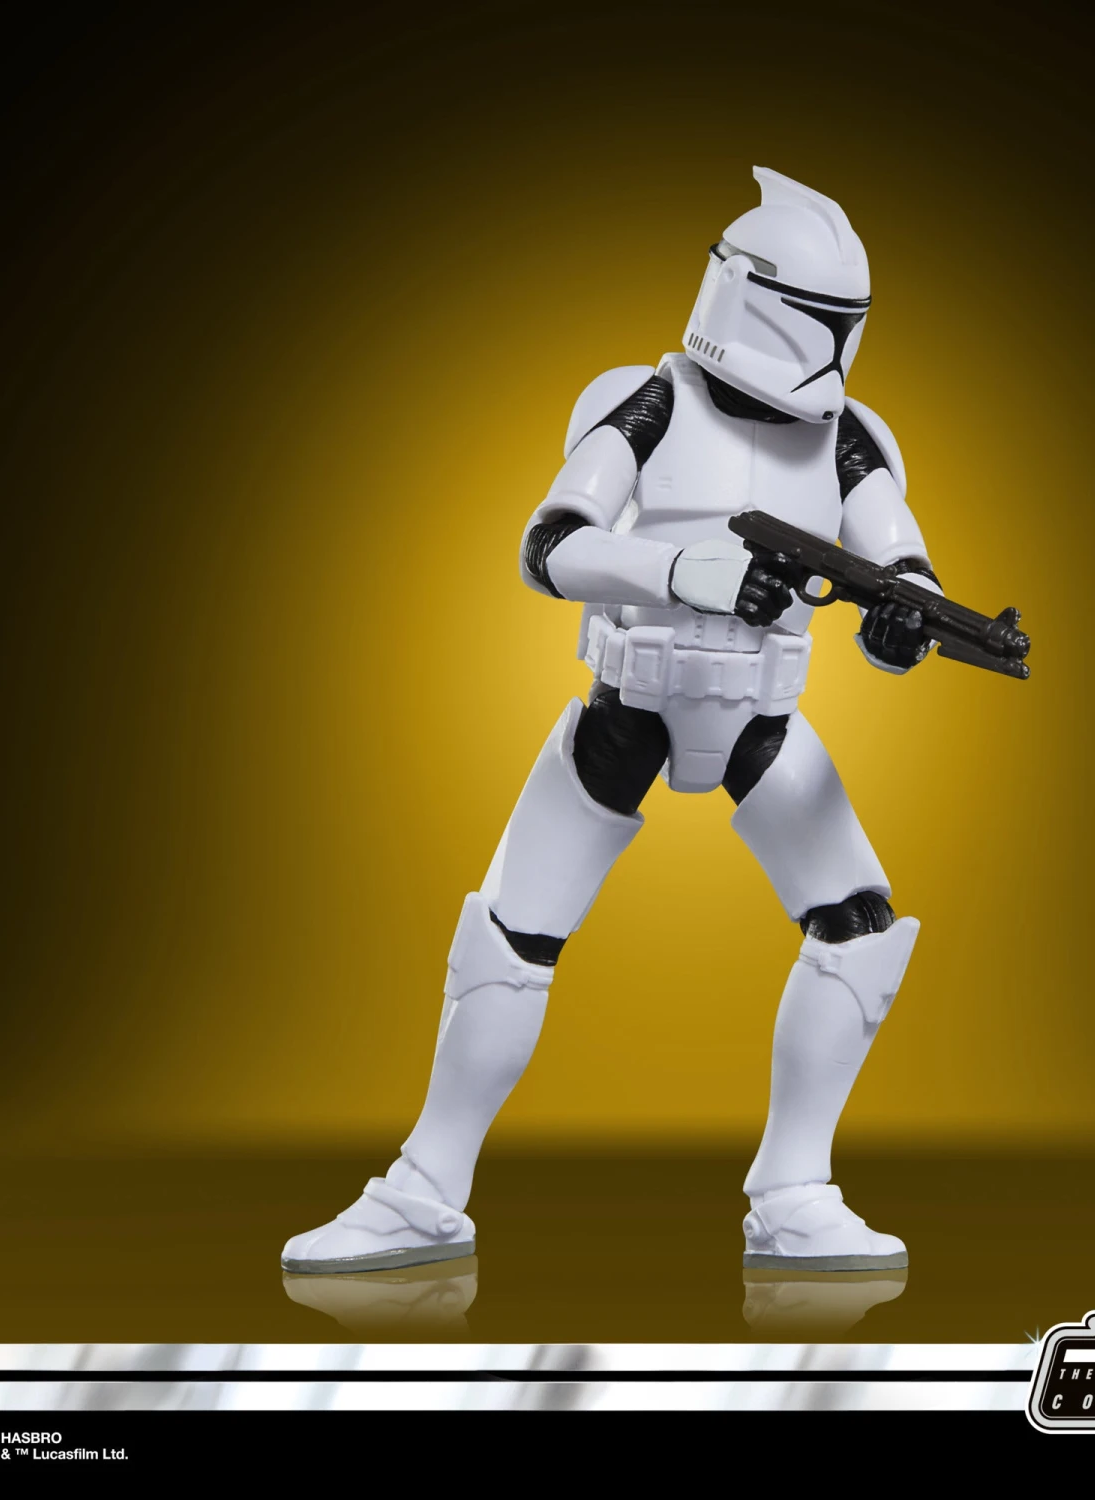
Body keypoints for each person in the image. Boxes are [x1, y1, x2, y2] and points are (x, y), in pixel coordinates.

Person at [283, 167, 943, 1276]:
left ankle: (795, 1190)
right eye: (818, 320)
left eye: (848, 324)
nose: (834, 348)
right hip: (626, 707)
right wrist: (687, 572)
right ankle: (420, 1193)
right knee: (512, 938)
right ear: (757, 300)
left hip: (760, 715)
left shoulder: (848, 440)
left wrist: (905, 621)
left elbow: (901, 561)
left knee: (861, 927)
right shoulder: (651, 402)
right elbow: (551, 547)